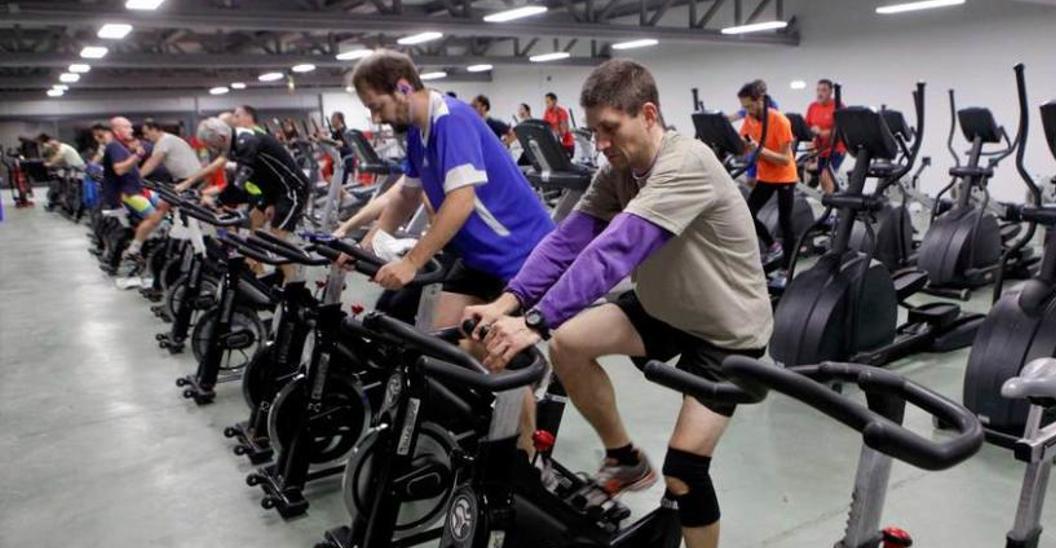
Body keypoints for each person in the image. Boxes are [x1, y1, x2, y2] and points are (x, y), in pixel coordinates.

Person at [465, 59, 773, 548]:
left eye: (610, 129)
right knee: (568, 345)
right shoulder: (618, 171)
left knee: (685, 473)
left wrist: (537, 321)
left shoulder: (685, 163)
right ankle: (625, 457)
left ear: (648, 114)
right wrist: (509, 302)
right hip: (664, 309)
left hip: (726, 332)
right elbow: (569, 241)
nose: (602, 143)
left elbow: (617, 249)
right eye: (595, 131)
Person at [343, 49, 555, 328]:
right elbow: (405, 197)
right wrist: (363, 248)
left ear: (403, 87)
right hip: (478, 258)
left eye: (376, 106)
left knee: (471, 348)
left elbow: (461, 201)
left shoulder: (451, 119)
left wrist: (411, 263)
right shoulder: (418, 133)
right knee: (427, 333)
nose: (376, 118)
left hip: (518, 257)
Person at [195, 116, 311, 277]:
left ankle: (294, 287)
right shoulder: (235, 143)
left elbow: (239, 184)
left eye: (214, 147)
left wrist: (217, 200)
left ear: (222, 137)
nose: (215, 151)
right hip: (274, 190)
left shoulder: (246, 141)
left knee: (278, 241)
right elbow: (262, 175)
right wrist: (269, 201)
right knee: (251, 226)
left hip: (292, 189)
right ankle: (258, 275)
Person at [739, 80, 799, 270]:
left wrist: (759, 150)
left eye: (749, 106)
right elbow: (743, 144)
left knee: (785, 221)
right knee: (747, 214)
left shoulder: (780, 121)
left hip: (785, 177)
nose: (747, 111)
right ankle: (773, 245)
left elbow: (784, 160)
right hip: (766, 177)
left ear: (760, 101)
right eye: (744, 107)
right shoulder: (749, 120)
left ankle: (787, 267)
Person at [100, 117, 165, 265]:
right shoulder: (114, 146)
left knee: (166, 203)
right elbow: (120, 170)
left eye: (131, 127)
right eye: (127, 127)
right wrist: (137, 156)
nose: (131, 130)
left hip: (138, 189)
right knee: (154, 218)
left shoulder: (122, 147)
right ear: (117, 130)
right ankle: (134, 249)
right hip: (127, 194)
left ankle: (153, 239)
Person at [805, 78, 843, 194]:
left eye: (824, 90)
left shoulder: (838, 106)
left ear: (831, 92)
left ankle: (831, 209)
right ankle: (831, 204)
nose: (820, 93)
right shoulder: (813, 106)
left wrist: (821, 132)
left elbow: (842, 130)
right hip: (820, 150)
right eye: (818, 90)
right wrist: (810, 137)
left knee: (826, 177)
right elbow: (807, 126)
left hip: (836, 149)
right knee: (823, 180)